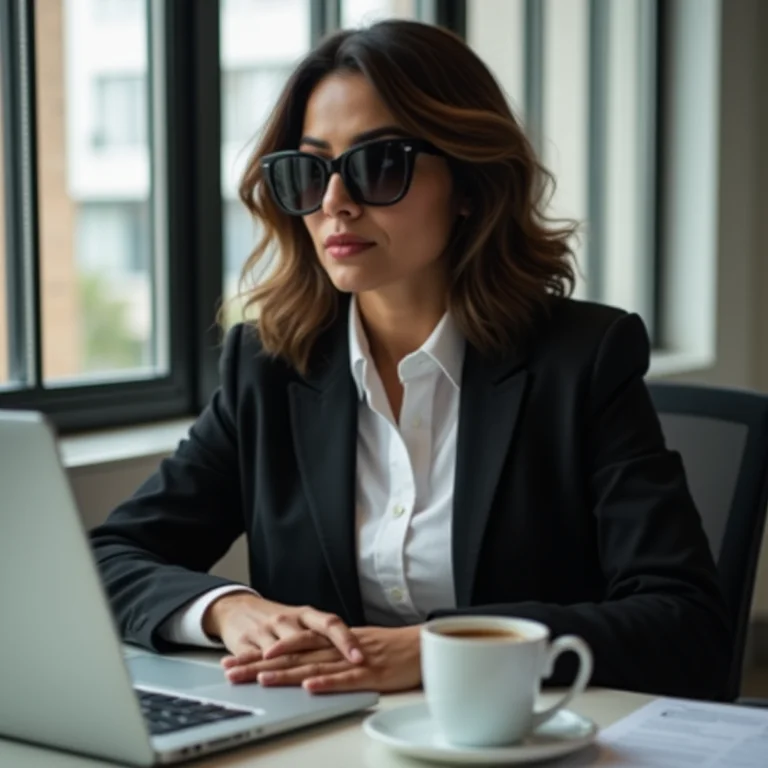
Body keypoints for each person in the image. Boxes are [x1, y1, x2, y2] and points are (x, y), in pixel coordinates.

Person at [90, 19, 732, 700]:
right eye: (309, 173)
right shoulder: (269, 366)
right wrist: (229, 610)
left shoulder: (584, 362)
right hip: (330, 741)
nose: (336, 203)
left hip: (522, 741)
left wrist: (443, 650)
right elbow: (110, 557)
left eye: (378, 165)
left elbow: (684, 624)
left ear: (468, 184)